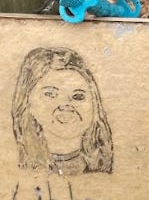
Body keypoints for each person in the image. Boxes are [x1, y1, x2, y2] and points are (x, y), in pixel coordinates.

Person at [11, 47, 113, 175]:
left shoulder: (104, 167)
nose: (66, 105)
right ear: (27, 101)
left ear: (95, 104)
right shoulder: (19, 165)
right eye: (50, 94)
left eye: (78, 96)